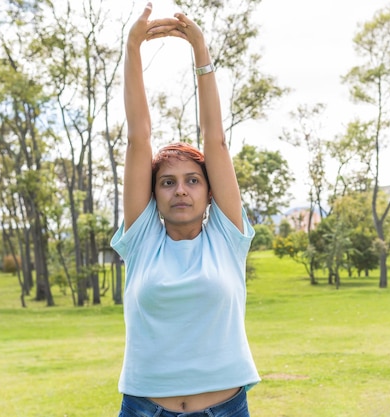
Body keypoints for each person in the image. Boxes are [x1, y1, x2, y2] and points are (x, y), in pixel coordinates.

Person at [110, 3, 260, 416]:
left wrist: (201, 52)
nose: (181, 190)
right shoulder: (142, 242)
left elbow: (216, 141)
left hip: (225, 408)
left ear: (210, 191)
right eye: (167, 182)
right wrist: (132, 47)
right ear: (153, 194)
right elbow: (139, 138)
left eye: (193, 180)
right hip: (145, 408)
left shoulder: (227, 238)